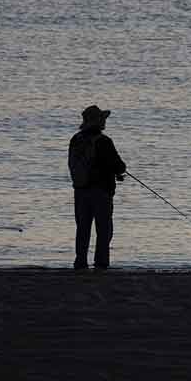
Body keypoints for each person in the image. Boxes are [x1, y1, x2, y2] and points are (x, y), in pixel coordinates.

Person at [68, 104, 126, 270]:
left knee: (82, 229)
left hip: (80, 190)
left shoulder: (75, 139)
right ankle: (101, 263)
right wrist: (119, 171)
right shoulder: (104, 141)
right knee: (103, 230)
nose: (104, 122)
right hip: (101, 191)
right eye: (102, 119)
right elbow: (118, 165)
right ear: (98, 121)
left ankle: (80, 262)